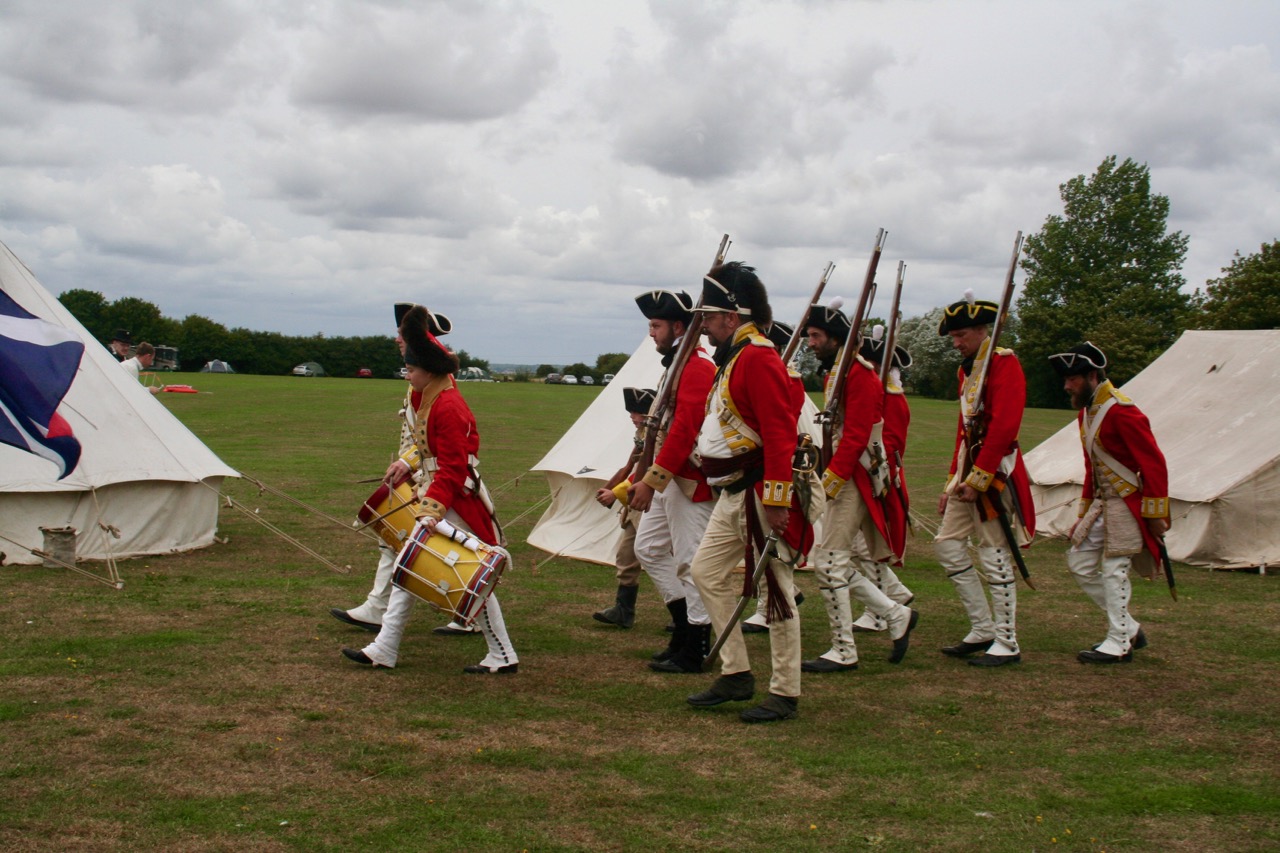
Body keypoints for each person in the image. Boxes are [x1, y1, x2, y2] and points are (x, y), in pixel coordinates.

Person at [343, 305, 518, 674]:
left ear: (428, 371)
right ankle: (386, 647)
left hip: (454, 498)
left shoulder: (448, 406)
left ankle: (501, 654)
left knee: (473, 578)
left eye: (411, 369)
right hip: (442, 494)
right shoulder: (432, 397)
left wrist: (430, 510)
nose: (407, 374)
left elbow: (453, 468)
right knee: (410, 570)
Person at [685, 262, 818, 723]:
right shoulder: (738, 358)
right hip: (734, 493)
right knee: (705, 572)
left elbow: (781, 434)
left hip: (760, 493)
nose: (702, 326)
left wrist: (778, 500)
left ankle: (785, 691)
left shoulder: (758, 356)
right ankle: (737, 671)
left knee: (777, 592)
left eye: (709, 317)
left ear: (732, 316)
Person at [801, 306, 918, 673]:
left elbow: (855, 437)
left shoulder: (862, 376)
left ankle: (844, 650)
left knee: (829, 563)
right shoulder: (838, 374)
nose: (810, 343)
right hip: (846, 473)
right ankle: (895, 612)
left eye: (816, 336)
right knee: (834, 562)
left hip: (856, 477)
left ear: (835, 338)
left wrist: (830, 483)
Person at [331, 304, 458, 633]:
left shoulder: (440, 383)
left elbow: (436, 439)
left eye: (402, 334)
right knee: (396, 542)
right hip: (419, 476)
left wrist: (407, 461)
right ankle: (379, 608)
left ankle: (468, 613)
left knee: (453, 546)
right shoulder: (418, 378)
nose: (397, 339)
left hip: (439, 477)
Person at [1049, 342, 1168, 663]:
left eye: (1072, 379)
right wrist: (1084, 513)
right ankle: (1129, 627)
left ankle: (1119, 642)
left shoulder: (1123, 411)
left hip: (1129, 504)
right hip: (1105, 504)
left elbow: (1154, 463)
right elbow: (1092, 468)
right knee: (1079, 561)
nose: (1067, 386)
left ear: (1091, 376)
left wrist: (1156, 514)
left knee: (1114, 570)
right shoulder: (1087, 414)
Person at [934, 293, 1035, 667]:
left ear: (981, 330)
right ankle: (983, 627)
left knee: (994, 554)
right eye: (954, 337)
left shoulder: (1003, 364)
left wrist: (978, 479)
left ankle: (1007, 641)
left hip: (994, 475)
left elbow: (1005, 426)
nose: (956, 343)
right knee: (946, 545)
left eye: (961, 335)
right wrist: (953, 483)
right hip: (968, 473)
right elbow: (965, 432)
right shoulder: (968, 370)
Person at [628, 290, 717, 674]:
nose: (651, 333)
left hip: (689, 479)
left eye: (656, 325)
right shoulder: (679, 364)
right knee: (648, 548)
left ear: (678, 327)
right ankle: (683, 629)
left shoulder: (696, 366)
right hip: (669, 478)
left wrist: (652, 480)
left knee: (690, 562)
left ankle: (696, 646)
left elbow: (684, 430)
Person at [851, 328, 915, 633]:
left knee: (868, 548)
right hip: (861, 476)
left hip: (880, 481)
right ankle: (895, 594)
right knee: (859, 548)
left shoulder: (893, 399)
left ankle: (879, 610)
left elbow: (889, 446)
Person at [591, 387, 656, 629]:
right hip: (636, 502)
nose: (632, 416)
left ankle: (686, 614)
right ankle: (623, 610)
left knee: (668, 559)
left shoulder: (655, 435)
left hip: (652, 501)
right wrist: (609, 487)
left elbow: (649, 471)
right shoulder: (642, 435)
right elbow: (631, 465)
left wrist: (616, 493)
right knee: (627, 555)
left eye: (636, 412)